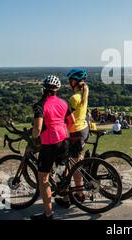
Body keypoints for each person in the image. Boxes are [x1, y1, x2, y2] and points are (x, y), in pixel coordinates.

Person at [31, 75, 74, 220]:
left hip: (49, 144)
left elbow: (37, 129)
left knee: (43, 178)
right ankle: (66, 198)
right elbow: (72, 122)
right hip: (64, 140)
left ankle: (48, 214)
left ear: (43, 88)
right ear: (57, 89)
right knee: (63, 172)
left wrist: (33, 137)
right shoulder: (64, 102)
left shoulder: (40, 105)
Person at [55, 68, 89, 209]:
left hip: (76, 132)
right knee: (75, 162)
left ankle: (78, 194)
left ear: (74, 81)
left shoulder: (74, 98)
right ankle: (75, 192)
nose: (69, 83)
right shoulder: (84, 91)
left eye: (70, 80)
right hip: (83, 129)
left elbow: (70, 118)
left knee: (72, 165)